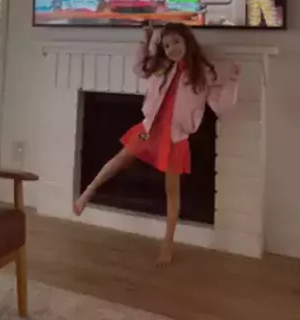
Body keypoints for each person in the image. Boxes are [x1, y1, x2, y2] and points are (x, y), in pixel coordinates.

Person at [73, 22, 240, 266]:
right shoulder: (162, 67)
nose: (172, 49)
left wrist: (233, 78)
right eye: (167, 45)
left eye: (177, 42)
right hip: (148, 130)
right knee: (119, 160)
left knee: (172, 192)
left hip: (174, 138)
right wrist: (147, 39)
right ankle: (89, 191)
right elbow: (140, 69)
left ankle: (167, 244)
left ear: (188, 42)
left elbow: (221, 105)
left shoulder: (202, 72)